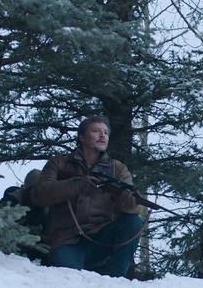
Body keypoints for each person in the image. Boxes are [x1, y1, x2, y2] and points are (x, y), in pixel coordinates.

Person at [31, 116, 143, 277]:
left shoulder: (118, 169)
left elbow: (135, 208)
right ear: (82, 137)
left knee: (133, 222)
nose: (102, 136)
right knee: (70, 279)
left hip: (100, 239)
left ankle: (116, 278)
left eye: (105, 132)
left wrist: (129, 201)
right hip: (65, 240)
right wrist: (77, 185)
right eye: (96, 131)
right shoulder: (59, 163)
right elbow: (40, 195)